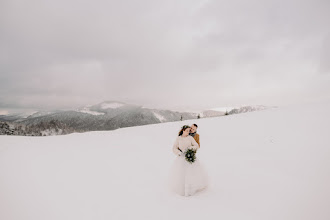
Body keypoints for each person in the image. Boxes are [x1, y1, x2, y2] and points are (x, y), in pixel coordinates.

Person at [167, 125, 209, 196]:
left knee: (191, 173)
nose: (188, 132)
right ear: (183, 130)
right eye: (187, 131)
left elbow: (197, 146)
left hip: (190, 157)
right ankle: (182, 188)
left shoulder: (190, 138)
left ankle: (192, 187)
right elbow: (174, 148)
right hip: (181, 158)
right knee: (181, 174)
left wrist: (190, 149)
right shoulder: (178, 138)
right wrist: (179, 153)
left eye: (189, 131)